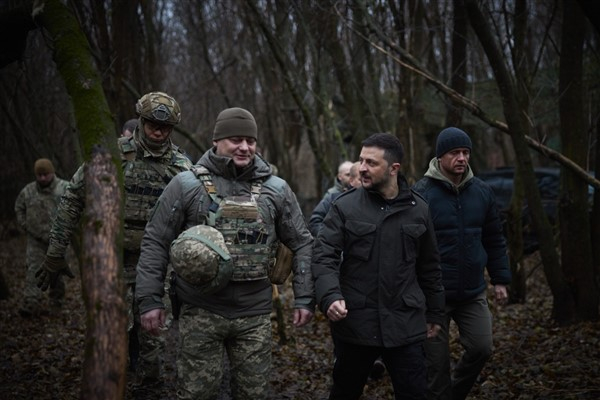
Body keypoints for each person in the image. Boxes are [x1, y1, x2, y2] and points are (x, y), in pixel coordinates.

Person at [135, 107, 315, 399]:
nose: (244, 147)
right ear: (216, 141)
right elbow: (156, 241)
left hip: (254, 315)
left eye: (250, 140)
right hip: (200, 311)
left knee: (253, 395)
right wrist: (149, 300)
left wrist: (305, 297)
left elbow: (302, 242)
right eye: (235, 139)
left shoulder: (276, 189)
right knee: (195, 394)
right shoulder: (186, 185)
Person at [35, 91, 193, 387]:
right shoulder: (112, 154)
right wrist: (56, 251)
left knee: (153, 338)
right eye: (151, 125)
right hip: (113, 261)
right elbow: (72, 198)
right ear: (141, 122)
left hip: (158, 264)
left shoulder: (182, 168)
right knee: (113, 333)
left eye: (165, 127)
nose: (158, 132)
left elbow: (195, 217)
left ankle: (149, 387)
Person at [312, 132, 445, 400]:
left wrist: (436, 313)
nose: (361, 168)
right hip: (356, 324)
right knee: (344, 392)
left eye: (371, 163)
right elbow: (323, 255)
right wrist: (330, 296)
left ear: (394, 168)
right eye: (361, 161)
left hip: (405, 323)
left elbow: (430, 266)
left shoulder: (419, 210)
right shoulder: (344, 207)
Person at [412, 127, 511, 400]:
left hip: (472, 291)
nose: (462, 158)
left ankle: (455, 394)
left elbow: (494, 238)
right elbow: (409, 246)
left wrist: (500, 279)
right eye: (455, 152)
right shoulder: (420, 194)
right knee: (436, 365)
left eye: (466, 152)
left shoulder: (482, 192)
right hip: (433, 296)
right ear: (440, 157)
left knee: (482, 347)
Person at [14, 158, 70, 317]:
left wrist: (67, 230)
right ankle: (31, 303)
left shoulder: (64, 188)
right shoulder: (28, 191)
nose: (43, 178)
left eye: (46, 174)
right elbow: (19, 208)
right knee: (33, 271)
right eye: (39, 175)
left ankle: (56, 302)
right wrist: (26, 226)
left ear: (52, 173)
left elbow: (76, 208)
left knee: (56, 274)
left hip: (59, 240)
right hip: (36, 241)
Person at [309, 161, 360, 237]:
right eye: (348, 174)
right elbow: (315, 222)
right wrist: (329, 239)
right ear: (340, 176)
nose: (350, 178)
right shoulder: (332, 196)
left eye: (353, 174)